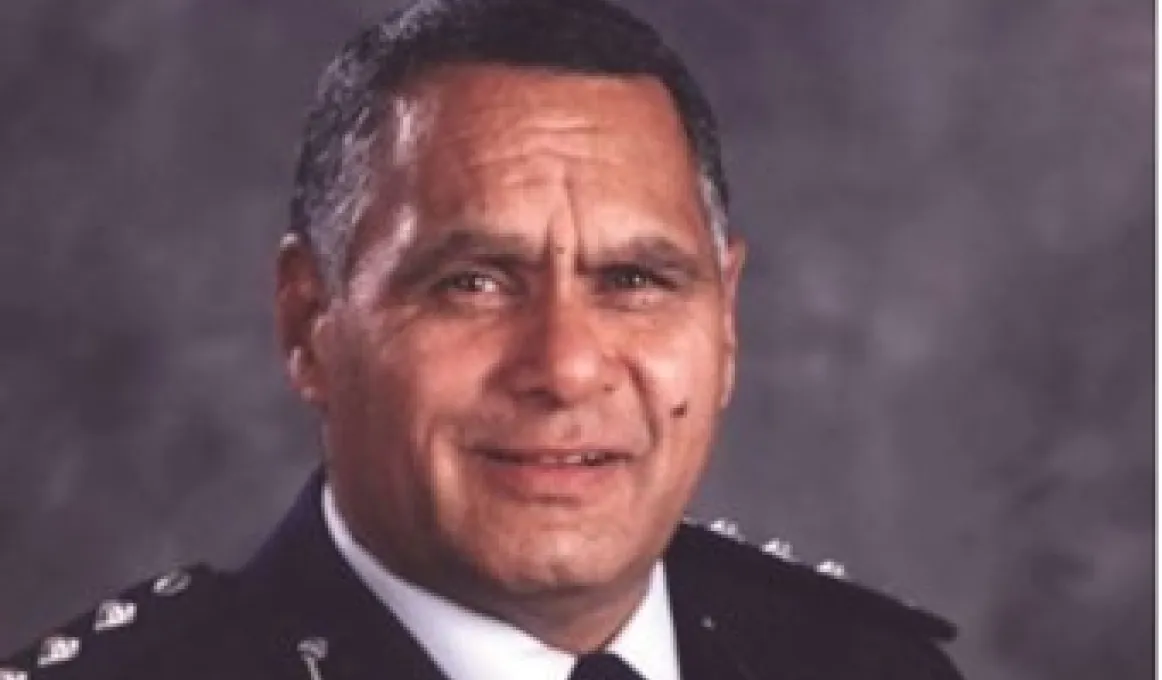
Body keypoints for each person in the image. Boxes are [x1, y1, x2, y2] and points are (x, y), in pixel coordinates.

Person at [1, 0, 965, 678]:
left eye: (635, 281)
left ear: (727, 323)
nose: (565, 366)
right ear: (309, 324)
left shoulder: (860, 665)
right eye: (472, 282)